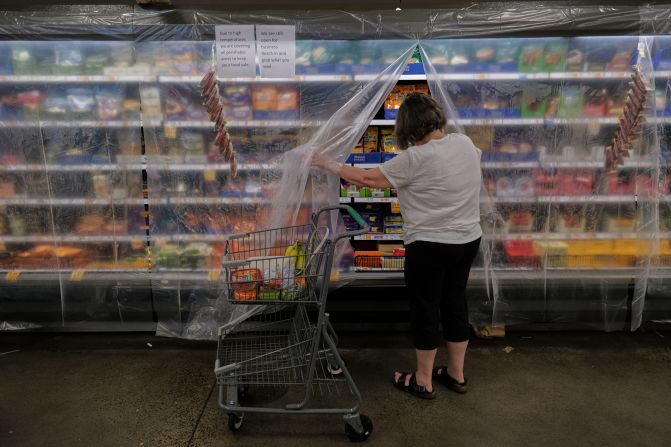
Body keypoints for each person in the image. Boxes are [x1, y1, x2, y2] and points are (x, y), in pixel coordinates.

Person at [312, 92, 482, 400]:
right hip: (468, 239)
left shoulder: (415, 158)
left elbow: (367, 177)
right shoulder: (464, 143)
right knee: (456, 303)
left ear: (407, 128)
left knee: (426, 309)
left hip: (430, 245)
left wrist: (327, 163)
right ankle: (456, 374)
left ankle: (423, 380)